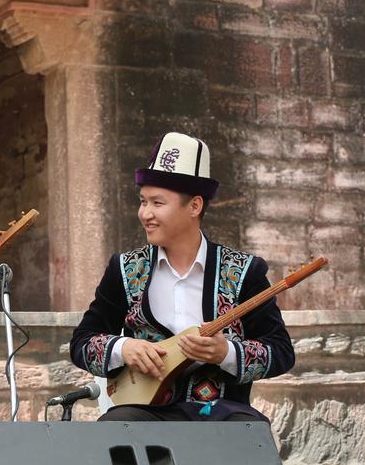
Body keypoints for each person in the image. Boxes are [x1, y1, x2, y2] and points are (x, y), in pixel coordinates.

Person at [70, 132, 294, 422]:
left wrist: (226, 352)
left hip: (220, 412)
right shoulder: (125, 268)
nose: (145, 214)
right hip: (144, 410)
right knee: (115, 427)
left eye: (157, 203)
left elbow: (281, 352)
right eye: (143, 202)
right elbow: (81, 342)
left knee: (249, 432)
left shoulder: (243, 271)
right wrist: (124, 348)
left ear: (194, 206)